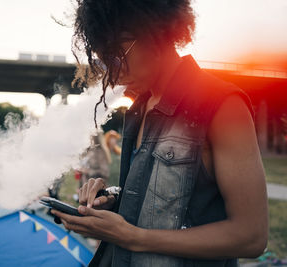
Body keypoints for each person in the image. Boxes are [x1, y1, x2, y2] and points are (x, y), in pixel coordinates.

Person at [51, 1, 268, 266]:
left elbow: (251, 236)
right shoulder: (138, 108)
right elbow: (169, 201)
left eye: (116, 56)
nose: (115, 74)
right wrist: (113, 201)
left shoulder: (222, 105)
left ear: (155, 32)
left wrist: (135, 237)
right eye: (104, 61)